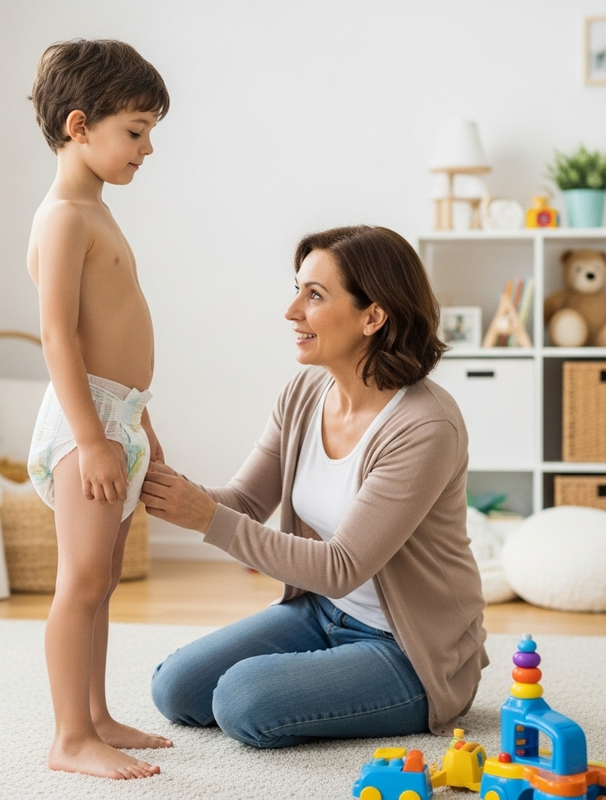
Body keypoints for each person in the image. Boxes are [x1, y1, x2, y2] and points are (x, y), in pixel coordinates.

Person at [141, 225, 488, 749]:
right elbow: (246, 502)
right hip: (321, 610)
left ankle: (412, 693)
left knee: (240, 701)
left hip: (408, 650)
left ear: (373, 316)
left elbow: (342, 566)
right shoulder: (304, 392)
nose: (292, 311)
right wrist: (164, 484)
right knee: (177, 688)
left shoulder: (425, 426)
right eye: (297, 288)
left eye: (315, 295)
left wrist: (205, 518)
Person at [25, 39, 172, 780]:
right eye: (136, 131)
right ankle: (68, 737)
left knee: (104, 579)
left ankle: (96, 714)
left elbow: (113, 337)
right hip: (88, 425)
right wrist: (93, 438)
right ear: (80, 125)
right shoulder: (64, 218)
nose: (147, 149)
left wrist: (143, 432)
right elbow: (57, 337)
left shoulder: (96, 212)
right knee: (80, 581)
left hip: (118, 419)